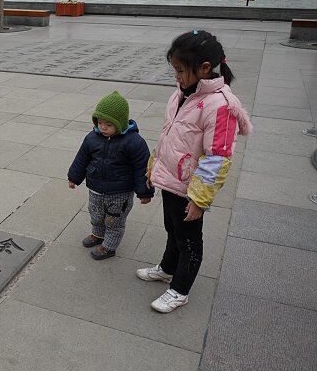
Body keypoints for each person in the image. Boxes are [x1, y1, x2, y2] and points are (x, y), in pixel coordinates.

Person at [139, 30, 252, 313]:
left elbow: (218, 159)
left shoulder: (220, 106)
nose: (176, 76)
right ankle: (167, 268)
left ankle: (179, 290)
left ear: (204, 68)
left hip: (191, 187)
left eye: (180, 70)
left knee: (189, 241)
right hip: (172, 179)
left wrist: (199, 200)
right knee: (172, 228)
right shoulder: (182, 94)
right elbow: (169, 136)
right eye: (174, 70)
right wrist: (155, 165)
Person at [68, 91, 154, 260]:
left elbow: (141, 167)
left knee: (114, 220)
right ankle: (98, 235)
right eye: (99, 122)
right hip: (96, 188)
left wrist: (144, 192)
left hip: (119, 192)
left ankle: (109, 246)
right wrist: (74, 177)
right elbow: (81, 158)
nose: (103, 127)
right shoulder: (92, 138)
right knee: (96, 214)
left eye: (108, 124)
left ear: (120, 123)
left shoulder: (134, 142)